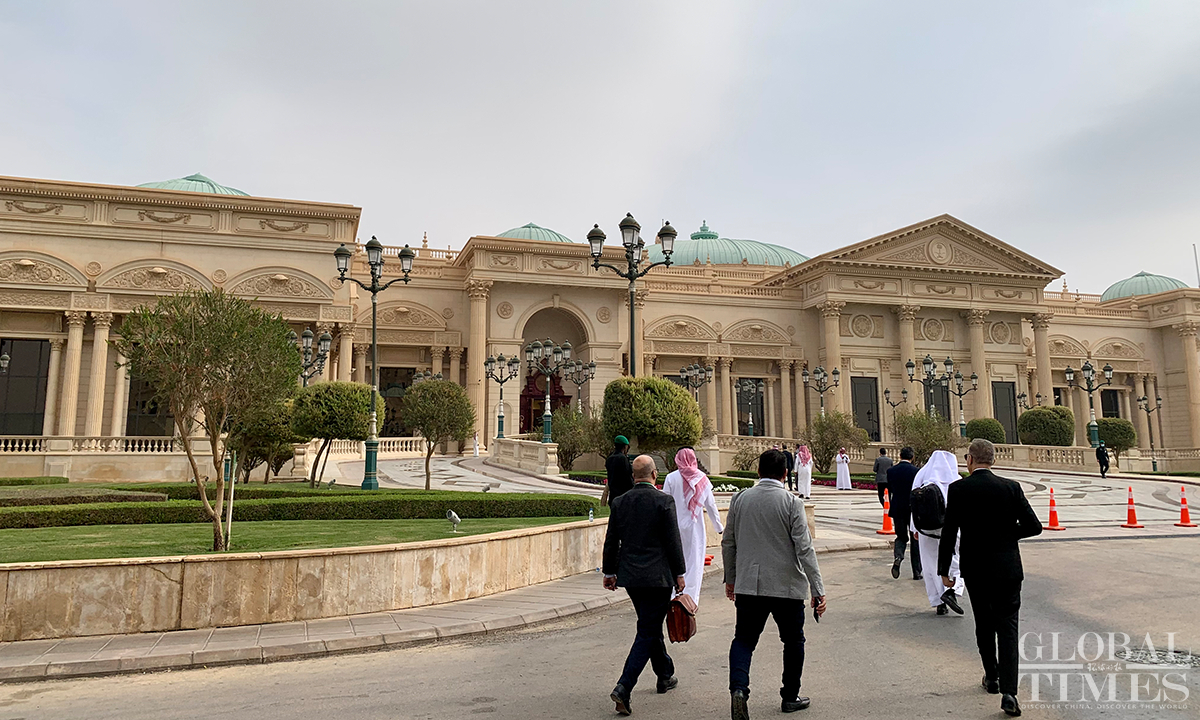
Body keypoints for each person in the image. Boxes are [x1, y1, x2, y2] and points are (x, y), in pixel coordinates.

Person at [940, 439, 1043, 718]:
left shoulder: (958, 489)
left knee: (984, 624)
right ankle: (1010, 692)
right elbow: (1035, 526)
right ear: (993, 461)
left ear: (970, 460)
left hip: (975, 569)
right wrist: (1008, 535)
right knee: (1008, 628)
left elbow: (948, 532)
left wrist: (944, 570)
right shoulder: (1011, 488)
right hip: (1008, 569)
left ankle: (992, 677)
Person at [723, 449, 826, 719]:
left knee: (744, 640)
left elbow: (728, 543)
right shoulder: (791, 503)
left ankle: (739, 690)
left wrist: (731, 579)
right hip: (786, 585)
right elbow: (805, 549)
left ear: (757, 471)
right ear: (786, 474)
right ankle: (790, 696)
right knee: (793, 641)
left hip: (749, 585)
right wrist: (818, 588)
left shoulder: (739, 500)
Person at [603, 455, 687, 716]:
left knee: (649, 625)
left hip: (631, 578)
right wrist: (680, 573)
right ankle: (624, 686)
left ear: (632, 477)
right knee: (648, 629)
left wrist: (609, 571)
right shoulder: (663, 501)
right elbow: (673, 541)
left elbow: (611, 540)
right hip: (658, 577)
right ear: (654, 475)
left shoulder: (620, 502)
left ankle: (665, 674)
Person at [662, 447, 724, 605]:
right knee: (694, 563)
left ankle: (674, 597)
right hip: (695, 528)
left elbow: (664, 503)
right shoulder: (702, 478)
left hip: (673, 526)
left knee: (675, 561)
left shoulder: (671, 478)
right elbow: (711, 505)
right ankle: (690, 601)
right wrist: (718, 527)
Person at [909, 450, 964, 615]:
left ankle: (939, 601)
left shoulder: (922, 476)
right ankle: (953, 591)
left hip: (926, 528)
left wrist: (914, 528)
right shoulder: (957, 479)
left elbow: (914, 503)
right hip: (951, 527)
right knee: (957, 558)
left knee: (930, 564)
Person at [886, 446, 922, 581]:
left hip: (897, 508)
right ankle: (916, 572)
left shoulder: (891, 471)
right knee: (915, 539)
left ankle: (898, 557)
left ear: (899, 456)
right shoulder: (916, 471)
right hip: (912, 509)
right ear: (912, 457)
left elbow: (889, 489)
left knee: (901, 536)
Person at [605, 435, 634, 506]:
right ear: (625, 447)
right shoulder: (623, 459)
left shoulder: (609, 458)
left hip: (613, 496)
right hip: (623, 497)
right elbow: (628, 477)